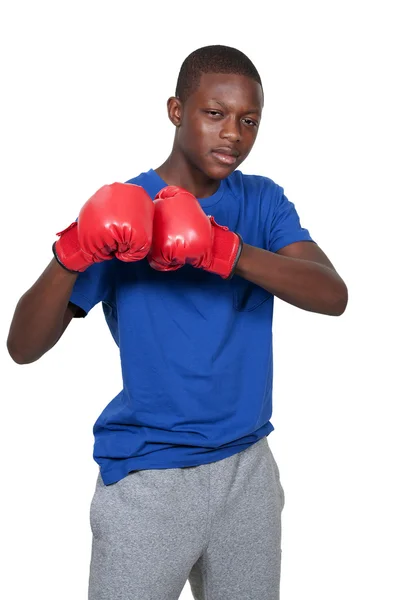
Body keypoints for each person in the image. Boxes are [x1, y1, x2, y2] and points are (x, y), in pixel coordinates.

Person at [7, 45, 348, 600]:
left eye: (249, 120)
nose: (233, 133)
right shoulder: (127, 211)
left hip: (248, 472)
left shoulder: (261, 202)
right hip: (151, 479)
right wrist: (71, 251)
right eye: (215, 113)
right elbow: (22, 346)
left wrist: (226, 250)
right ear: (176, 109)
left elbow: (332, 295)